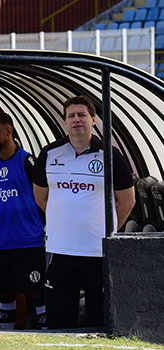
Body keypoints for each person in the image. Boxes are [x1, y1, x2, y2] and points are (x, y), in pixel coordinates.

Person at [33, 96, 135, 329]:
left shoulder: (111, 156)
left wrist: (106, 231)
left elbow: (127, 202)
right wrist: (64, 222)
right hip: (60, 250)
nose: (76, 120)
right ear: (65, 121)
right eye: (71, 116)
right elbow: (41, 198)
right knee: (59, 320)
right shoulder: (49, 154)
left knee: (101, 318)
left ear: (93, 119)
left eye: (81, 115)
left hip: (98, 251)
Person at [0, 112, 47, 330]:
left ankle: (47, 336)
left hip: (28, 241)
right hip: (0, 242)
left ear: (8, 131)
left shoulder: (27, 161)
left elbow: (43, 199)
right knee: (3, 294)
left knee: (37, 293)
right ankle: (6, 338)